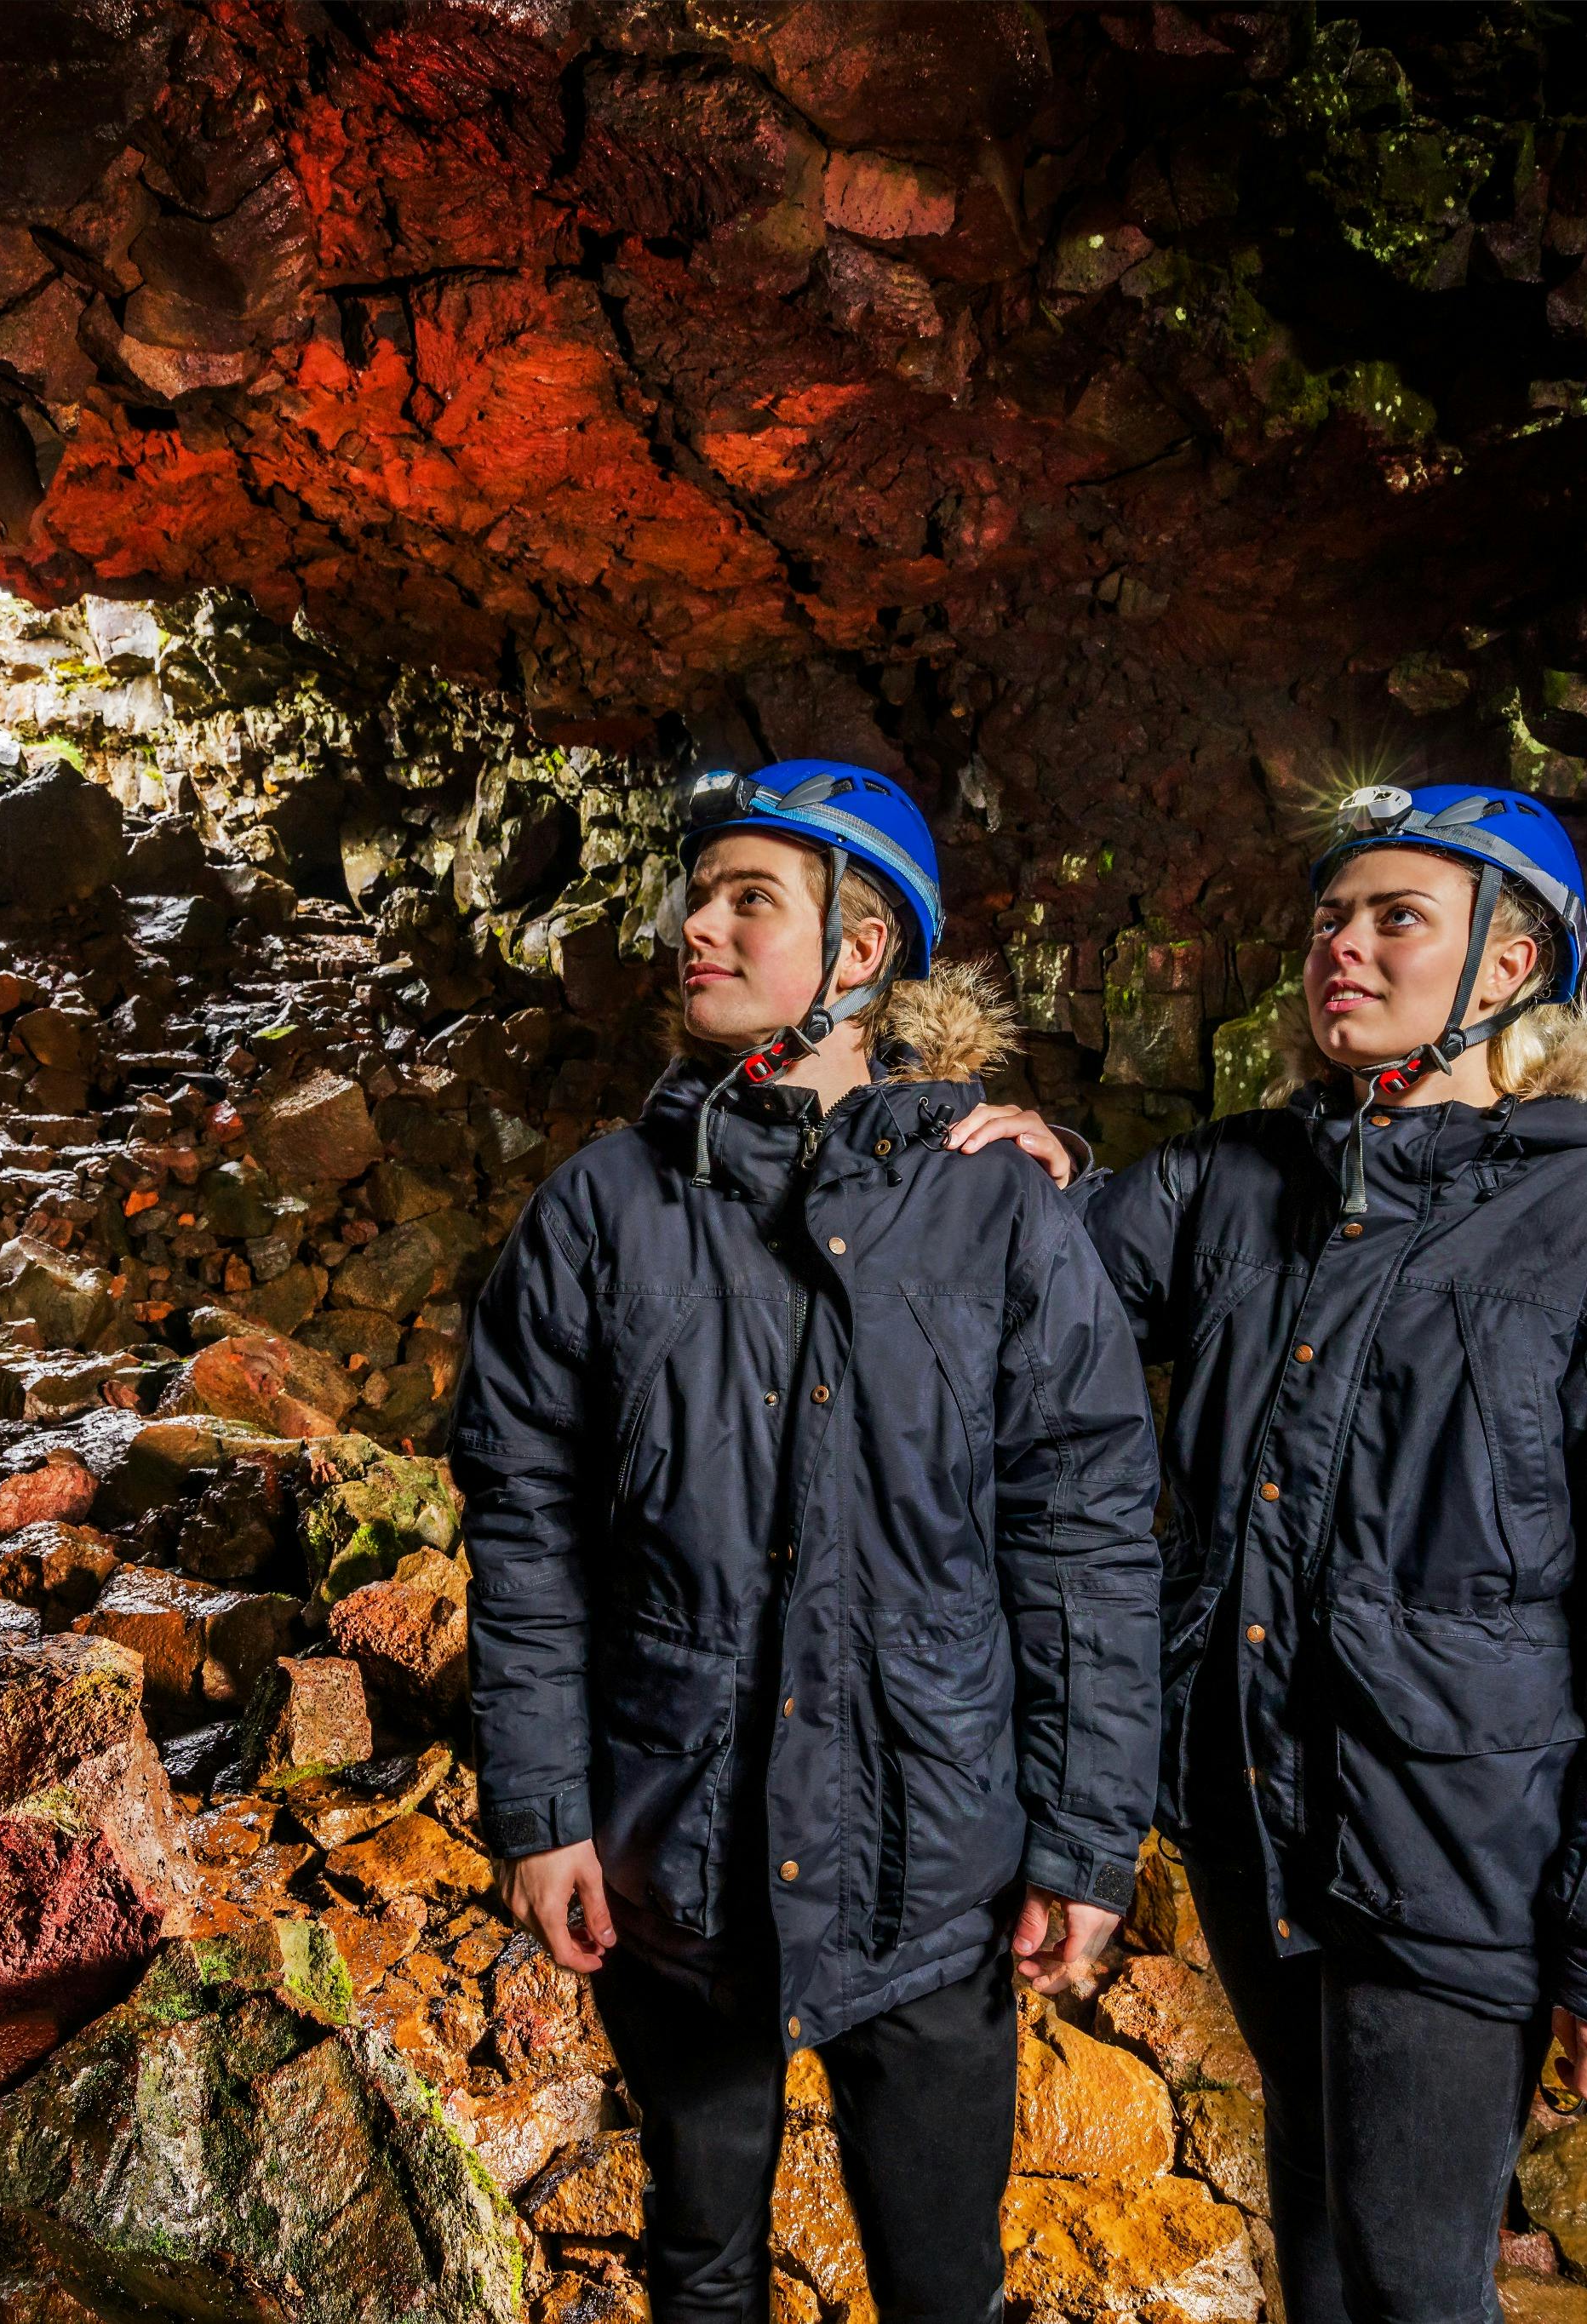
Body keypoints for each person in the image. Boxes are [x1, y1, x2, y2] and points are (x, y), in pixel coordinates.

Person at [949, 781, 1587, 2324]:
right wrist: (1033, 1159)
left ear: (1508, 965)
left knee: (1416, 2275)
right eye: (1329, 920)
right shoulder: (1240, 1179)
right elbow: (1023, 1291)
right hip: (1253, 1814)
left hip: (1458, 1853)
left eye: (1396, 918)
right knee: (1320, 2217)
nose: (1341, 947)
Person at [453, 760, 1163, 2324]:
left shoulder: (1000, 1212)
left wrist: (1085, 1839)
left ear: (859, 950)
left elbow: (1085, 1542)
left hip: (933, 1863)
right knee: (700, 2259)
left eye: (748, 899)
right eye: (698, 895)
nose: (696, 927)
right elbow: (526, 1530)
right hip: (679, 1859)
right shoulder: (600, 1211)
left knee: (941, 2282)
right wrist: (543, 1809)